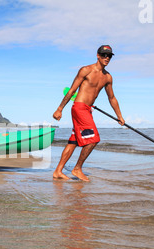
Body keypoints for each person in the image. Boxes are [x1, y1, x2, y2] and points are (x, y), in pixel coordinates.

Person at [52, 45, 125, 182]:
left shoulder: (108, 77)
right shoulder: (85, 70)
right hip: (79, 108)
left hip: (88, 109)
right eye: (104, 55)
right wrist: (60, 108)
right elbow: (72, 90)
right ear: (98, 55)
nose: (107, 58)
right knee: (94, 139)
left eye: (109, 56)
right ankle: (77, 168)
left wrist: (119, 116)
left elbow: (112, 98)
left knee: (73, 141)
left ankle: (58, 171)